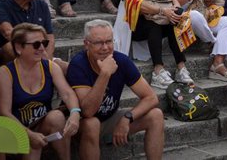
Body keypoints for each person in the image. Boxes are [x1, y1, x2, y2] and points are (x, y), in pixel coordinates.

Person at [66, 19, 164, 160]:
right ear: (86, 44)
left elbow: (151, 97)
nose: (105, 48)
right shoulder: (78, 65)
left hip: (109, 117)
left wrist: (127, 118)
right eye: (99, 43)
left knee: (156, 115)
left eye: (109, 41)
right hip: (78, 124)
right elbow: (88, 112)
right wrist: (105, 74)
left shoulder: (121, 61)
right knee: (92, 123)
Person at [0, 23, 81, 160]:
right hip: (16, 128)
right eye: (36, 44)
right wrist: (29, 134)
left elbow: (67, 93)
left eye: (44, 43)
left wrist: (75, 113)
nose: (42, 48)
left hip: (41, 125)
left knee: (57, 116)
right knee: (33, 146)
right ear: (18, 47)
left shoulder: (50, 67)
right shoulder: (6, 72)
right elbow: (4, 112)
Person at [121, 0, 194, 87]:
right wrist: (162, 11)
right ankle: (157, 70)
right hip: (134, 26)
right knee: (154, 25)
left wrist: (176, 12)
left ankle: (181, 67)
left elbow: (174, 0)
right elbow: (137, 5)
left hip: (157, 22)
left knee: (175, 23)